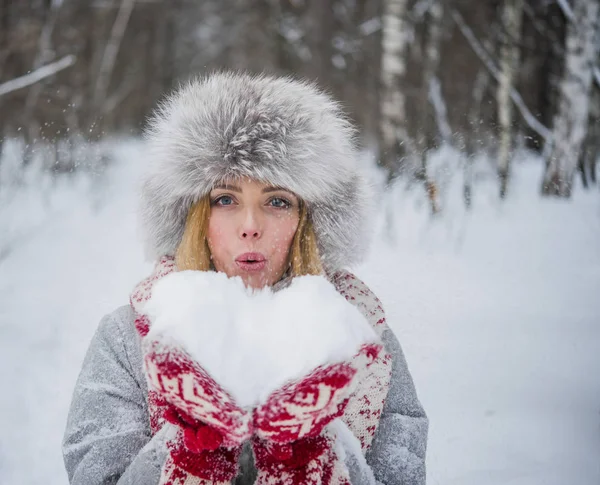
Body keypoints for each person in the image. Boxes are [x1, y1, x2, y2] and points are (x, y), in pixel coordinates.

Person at [61, 71, 428, 485]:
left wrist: (313, 447)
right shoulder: (128, 337)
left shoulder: (364, 343)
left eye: (277, 201)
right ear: (194, 218)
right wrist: (192, 441)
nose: (251, 225)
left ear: (308, 222)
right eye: (225, 199)